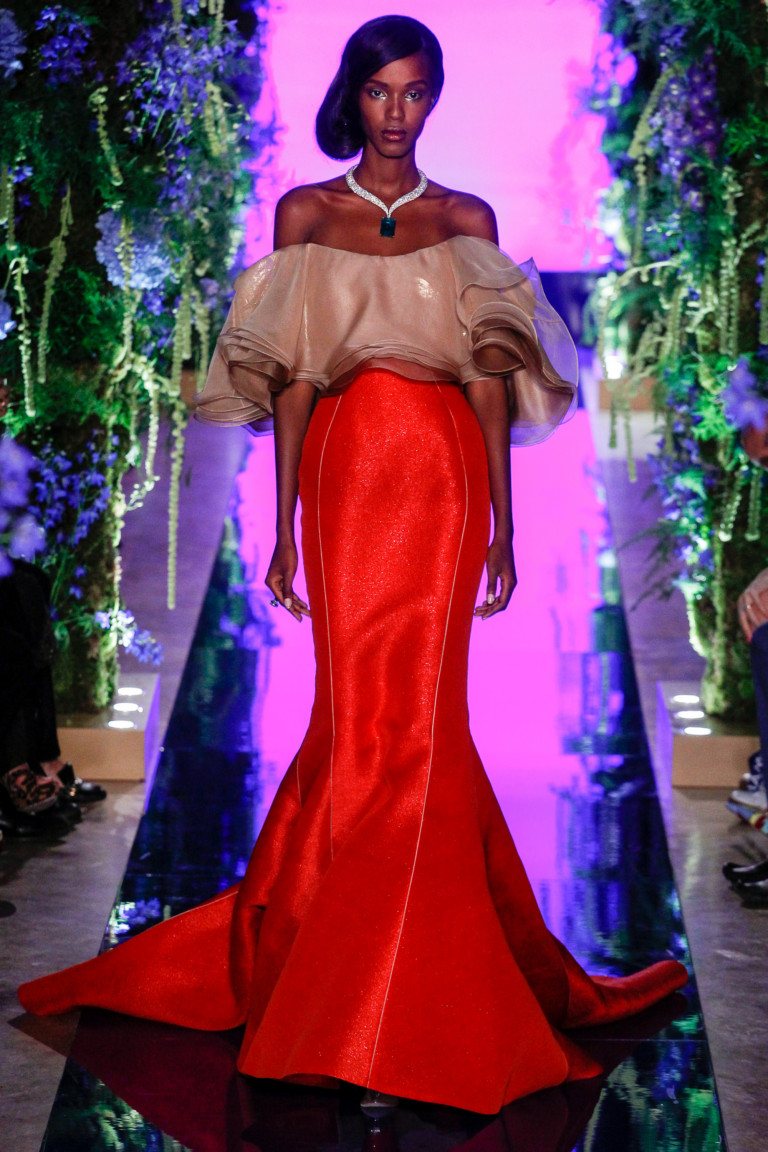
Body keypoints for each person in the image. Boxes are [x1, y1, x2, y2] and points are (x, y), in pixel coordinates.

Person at [19, 15, 686, 1115]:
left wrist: (503, 523)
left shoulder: (466, 219)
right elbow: (290, 379)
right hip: (342, 483)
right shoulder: (306, 214)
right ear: (355, 94)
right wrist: (283, 522)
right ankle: (344, 971)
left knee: (424, 719)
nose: (397, 112)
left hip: (441, 483)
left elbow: (487, 379)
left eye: (415, 92)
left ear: (435, 99)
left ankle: (405, 991)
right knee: (355, 714)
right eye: (380, 91)